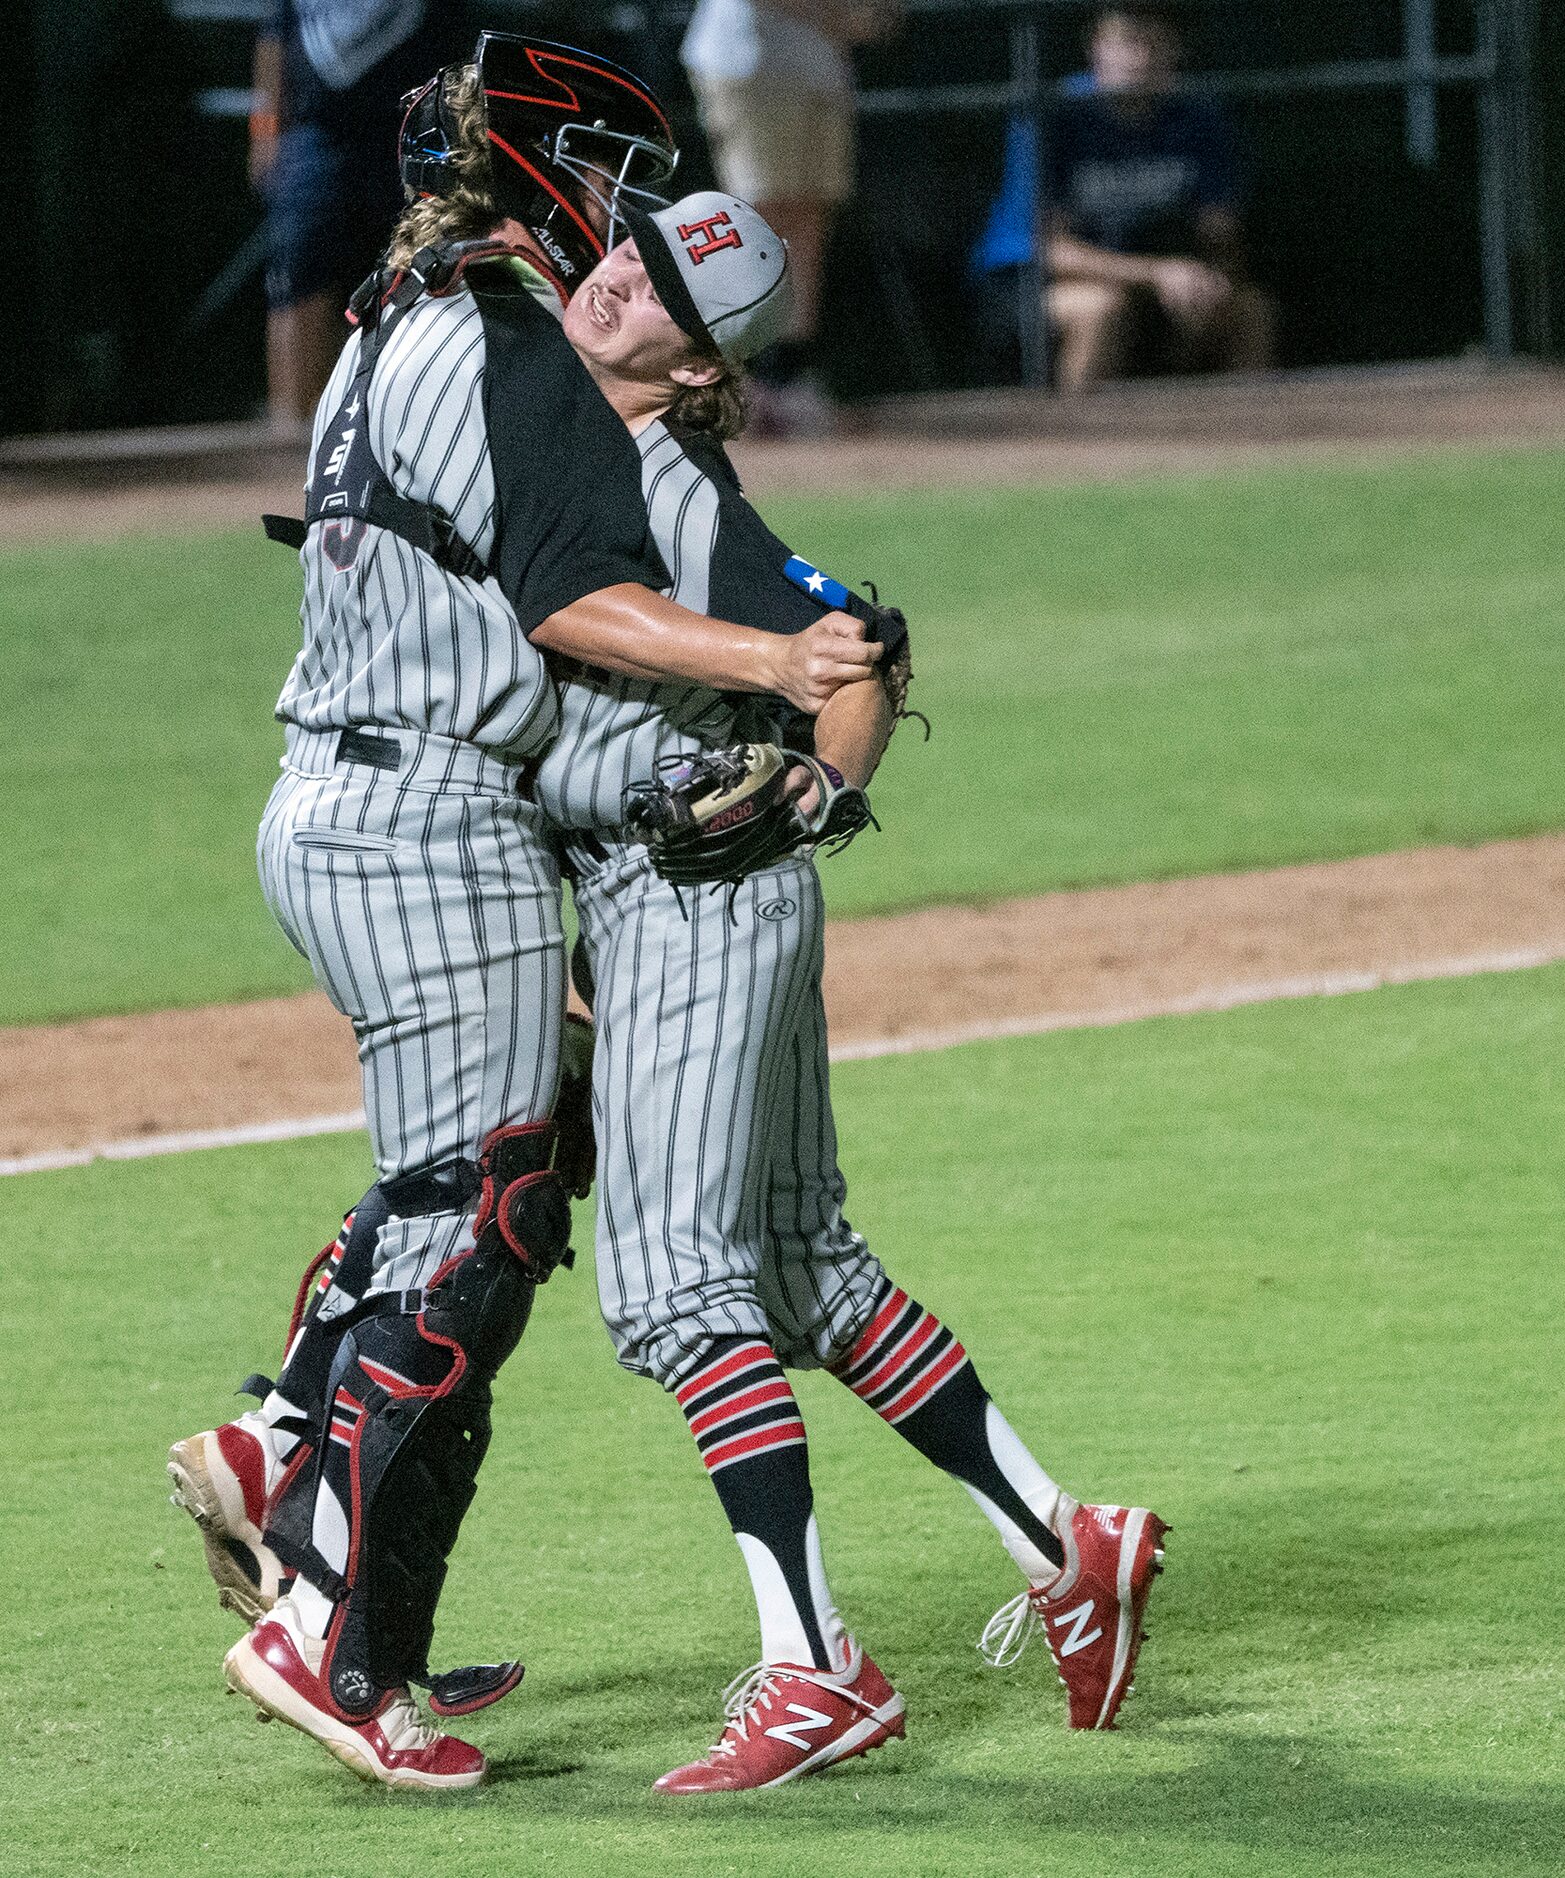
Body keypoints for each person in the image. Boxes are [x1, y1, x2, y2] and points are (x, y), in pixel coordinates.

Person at [167, 33, 878, 1793]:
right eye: (614, 204)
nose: (625, 239)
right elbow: (577, 600)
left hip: (337, 793)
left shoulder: (387, 312)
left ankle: (305, 1501)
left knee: (477, 1180)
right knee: (478, 1215)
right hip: (424, 813)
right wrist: (781, 665)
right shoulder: (509, 348)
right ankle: (324, 1613)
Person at [535, 190, 1171, 1792]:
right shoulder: (587, 435)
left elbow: (859, 642)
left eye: (666, 284)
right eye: (630, 247)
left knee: (680, 1290)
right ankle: (1065, 1540)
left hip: (692, 899)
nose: (621, 279)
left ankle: (816, 1666)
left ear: (699, 366)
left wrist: (820, 788)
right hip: (705, 906)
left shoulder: (667, 483)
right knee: (805, 1270)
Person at [679, 0, 900, 433]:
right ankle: (734, 385)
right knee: (754, 223)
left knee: (809, 220)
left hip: (819, 70)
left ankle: (788, 378)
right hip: (749, 65)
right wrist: (838, 14)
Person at [249, 0, 460, 427]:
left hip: (408, 130)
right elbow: (274, 43)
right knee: (297, 273)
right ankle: (291, 425)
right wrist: (264, 133)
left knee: (409, 274)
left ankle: (396, 424)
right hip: (316, 133)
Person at [1044, 5, 1274, 390]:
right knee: (1100, 309)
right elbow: (1051, 252)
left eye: (1154, 45)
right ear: (1095, 49)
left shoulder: (1200, 117)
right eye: (1126, 44)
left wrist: (1208, 281)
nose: (1140, 59)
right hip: (1043, 283)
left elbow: (1219, 232)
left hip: (1165, 276)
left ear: (1175, 52)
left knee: (1249, 313)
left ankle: (1249, 445)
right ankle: (1079, 442)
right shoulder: (1056, 114)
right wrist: (1156, 274)